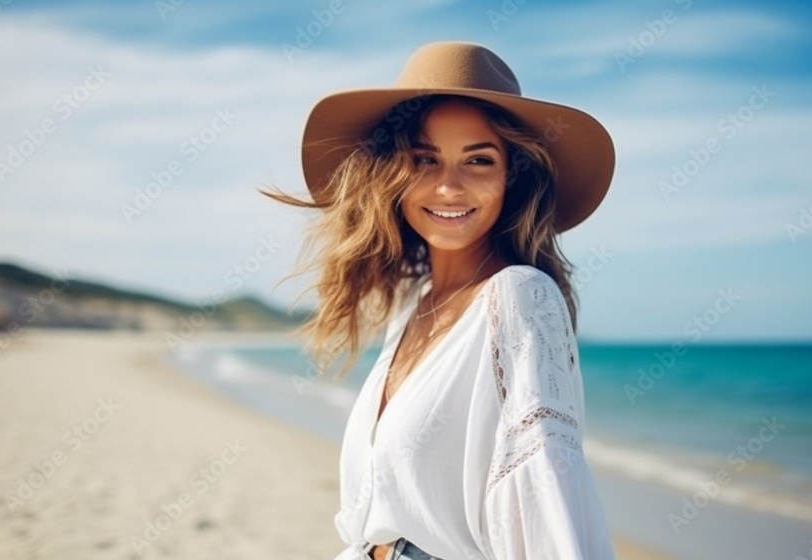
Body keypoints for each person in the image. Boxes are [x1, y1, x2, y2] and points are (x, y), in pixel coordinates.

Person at [261, 41, 616, 560]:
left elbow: (547, 499)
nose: (449, 186)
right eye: (424, 159)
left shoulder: (520, 299)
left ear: (510, 177)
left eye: (478, 159)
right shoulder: (413, 306)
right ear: (392, 175)